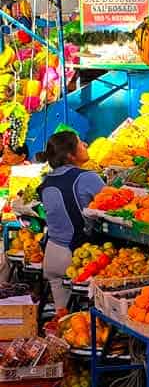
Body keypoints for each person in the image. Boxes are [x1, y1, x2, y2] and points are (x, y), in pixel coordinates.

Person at [36, 132, 103, 311]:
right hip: (76, 256)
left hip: (52, 253)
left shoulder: (46, 180)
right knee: (88, 322)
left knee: (62, 318)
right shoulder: (86, 177)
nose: (86, 145)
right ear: (70, 155)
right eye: (81, 144)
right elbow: (112, 203)